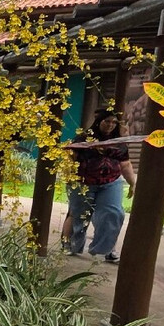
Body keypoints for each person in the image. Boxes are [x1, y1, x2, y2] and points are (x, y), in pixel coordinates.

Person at [65, 108, 136, 263]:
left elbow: (125, 164)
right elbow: (70, 157)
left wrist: (132, 183)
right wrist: (70, 175)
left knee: (114, 213)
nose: (110, 125)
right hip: (83, 182)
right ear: (99, 122)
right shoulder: (83, 138)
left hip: (111, 182)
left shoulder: (119, 143)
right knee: (79, 215)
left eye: (114, 122)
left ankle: (107, 249)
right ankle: (70, 245)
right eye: (107, 121)